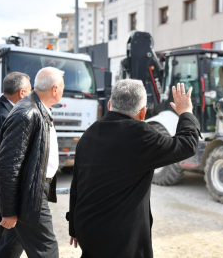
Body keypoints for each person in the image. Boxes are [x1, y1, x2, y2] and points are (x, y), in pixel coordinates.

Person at [68, 80, 201, 257]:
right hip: (122, 240)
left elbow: (76, 184)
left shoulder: (88, 134)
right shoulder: (141, 135)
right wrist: (185, 112)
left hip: (87, 230)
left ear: (109, 105)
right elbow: (187, 145)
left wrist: (73, 228)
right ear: (142, 113)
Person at [0, 67, 64, 258]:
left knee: (9, 247)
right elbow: (7, 166)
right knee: (47, 250)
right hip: (28, 194)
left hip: (30, 190)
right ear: (54, 89)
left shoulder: (38, 108)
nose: (63, 91)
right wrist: (9, 211)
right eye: (62, 87)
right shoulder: (26, 112)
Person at [0, 72, 31, 257]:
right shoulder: (2, 116)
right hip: (3, 193)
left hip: (2, 192)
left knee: (3, 239)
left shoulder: (4, 111)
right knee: (8, 242)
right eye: (30, 90)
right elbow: (0, 162)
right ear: (22, 92)